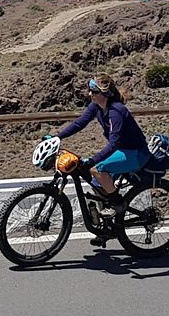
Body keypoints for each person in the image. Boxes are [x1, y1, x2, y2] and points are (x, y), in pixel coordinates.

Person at [57, 74, 150, 218]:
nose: (90, 94)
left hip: (135, 153)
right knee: (96, 184)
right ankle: (107, 224)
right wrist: (58, 137)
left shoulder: (116, 112)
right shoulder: (96, 106)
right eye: (90, 90)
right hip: (121, 151)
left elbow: (114, 144)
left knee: (96, 168)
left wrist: (93, 160)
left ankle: (117, 202)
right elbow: (79, 123)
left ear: (105, 93)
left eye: (94, 91)